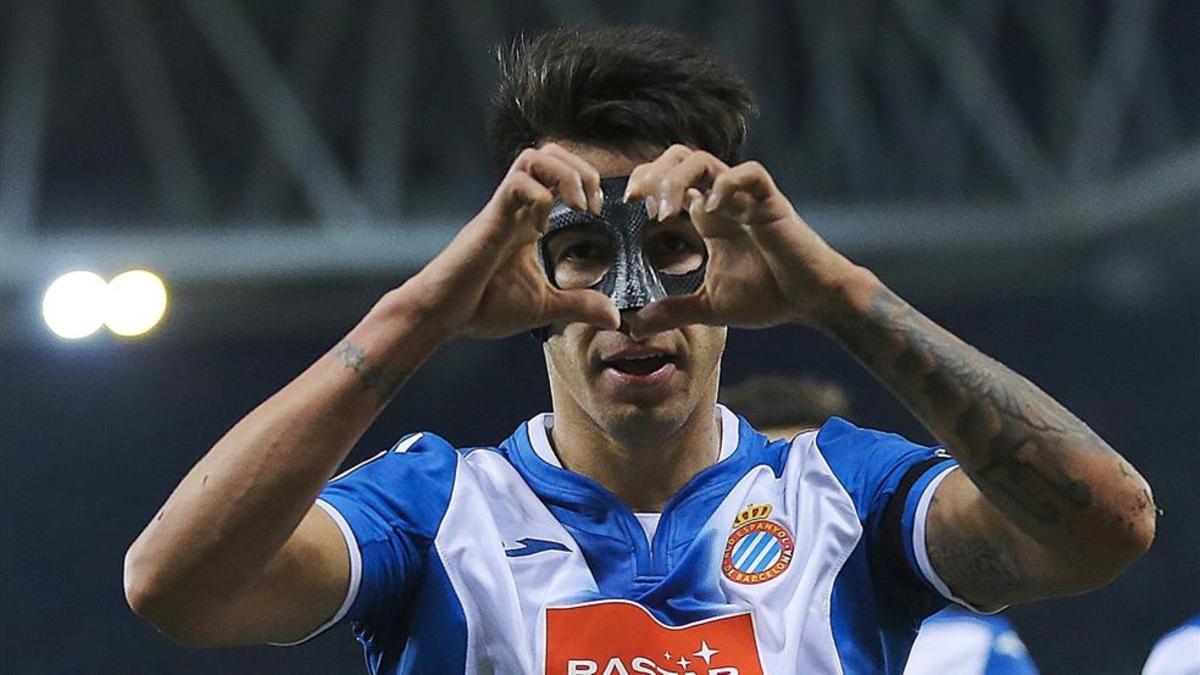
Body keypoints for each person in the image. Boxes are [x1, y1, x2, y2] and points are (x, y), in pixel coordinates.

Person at [123, 26, 1156, 674]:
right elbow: (174, 589)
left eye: (671, 252)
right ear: (519, 279)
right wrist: (416, 315)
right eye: (581, 254)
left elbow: (1107, 525)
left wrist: (840, 296)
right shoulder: (434, 510)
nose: (631, 303)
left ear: (735, 267)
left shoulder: (848, 490)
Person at [723, 374, 1038, 674]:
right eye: (767, 492)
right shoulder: (681, 636)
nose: (792, 509)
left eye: (810, 485)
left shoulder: (965, 648)